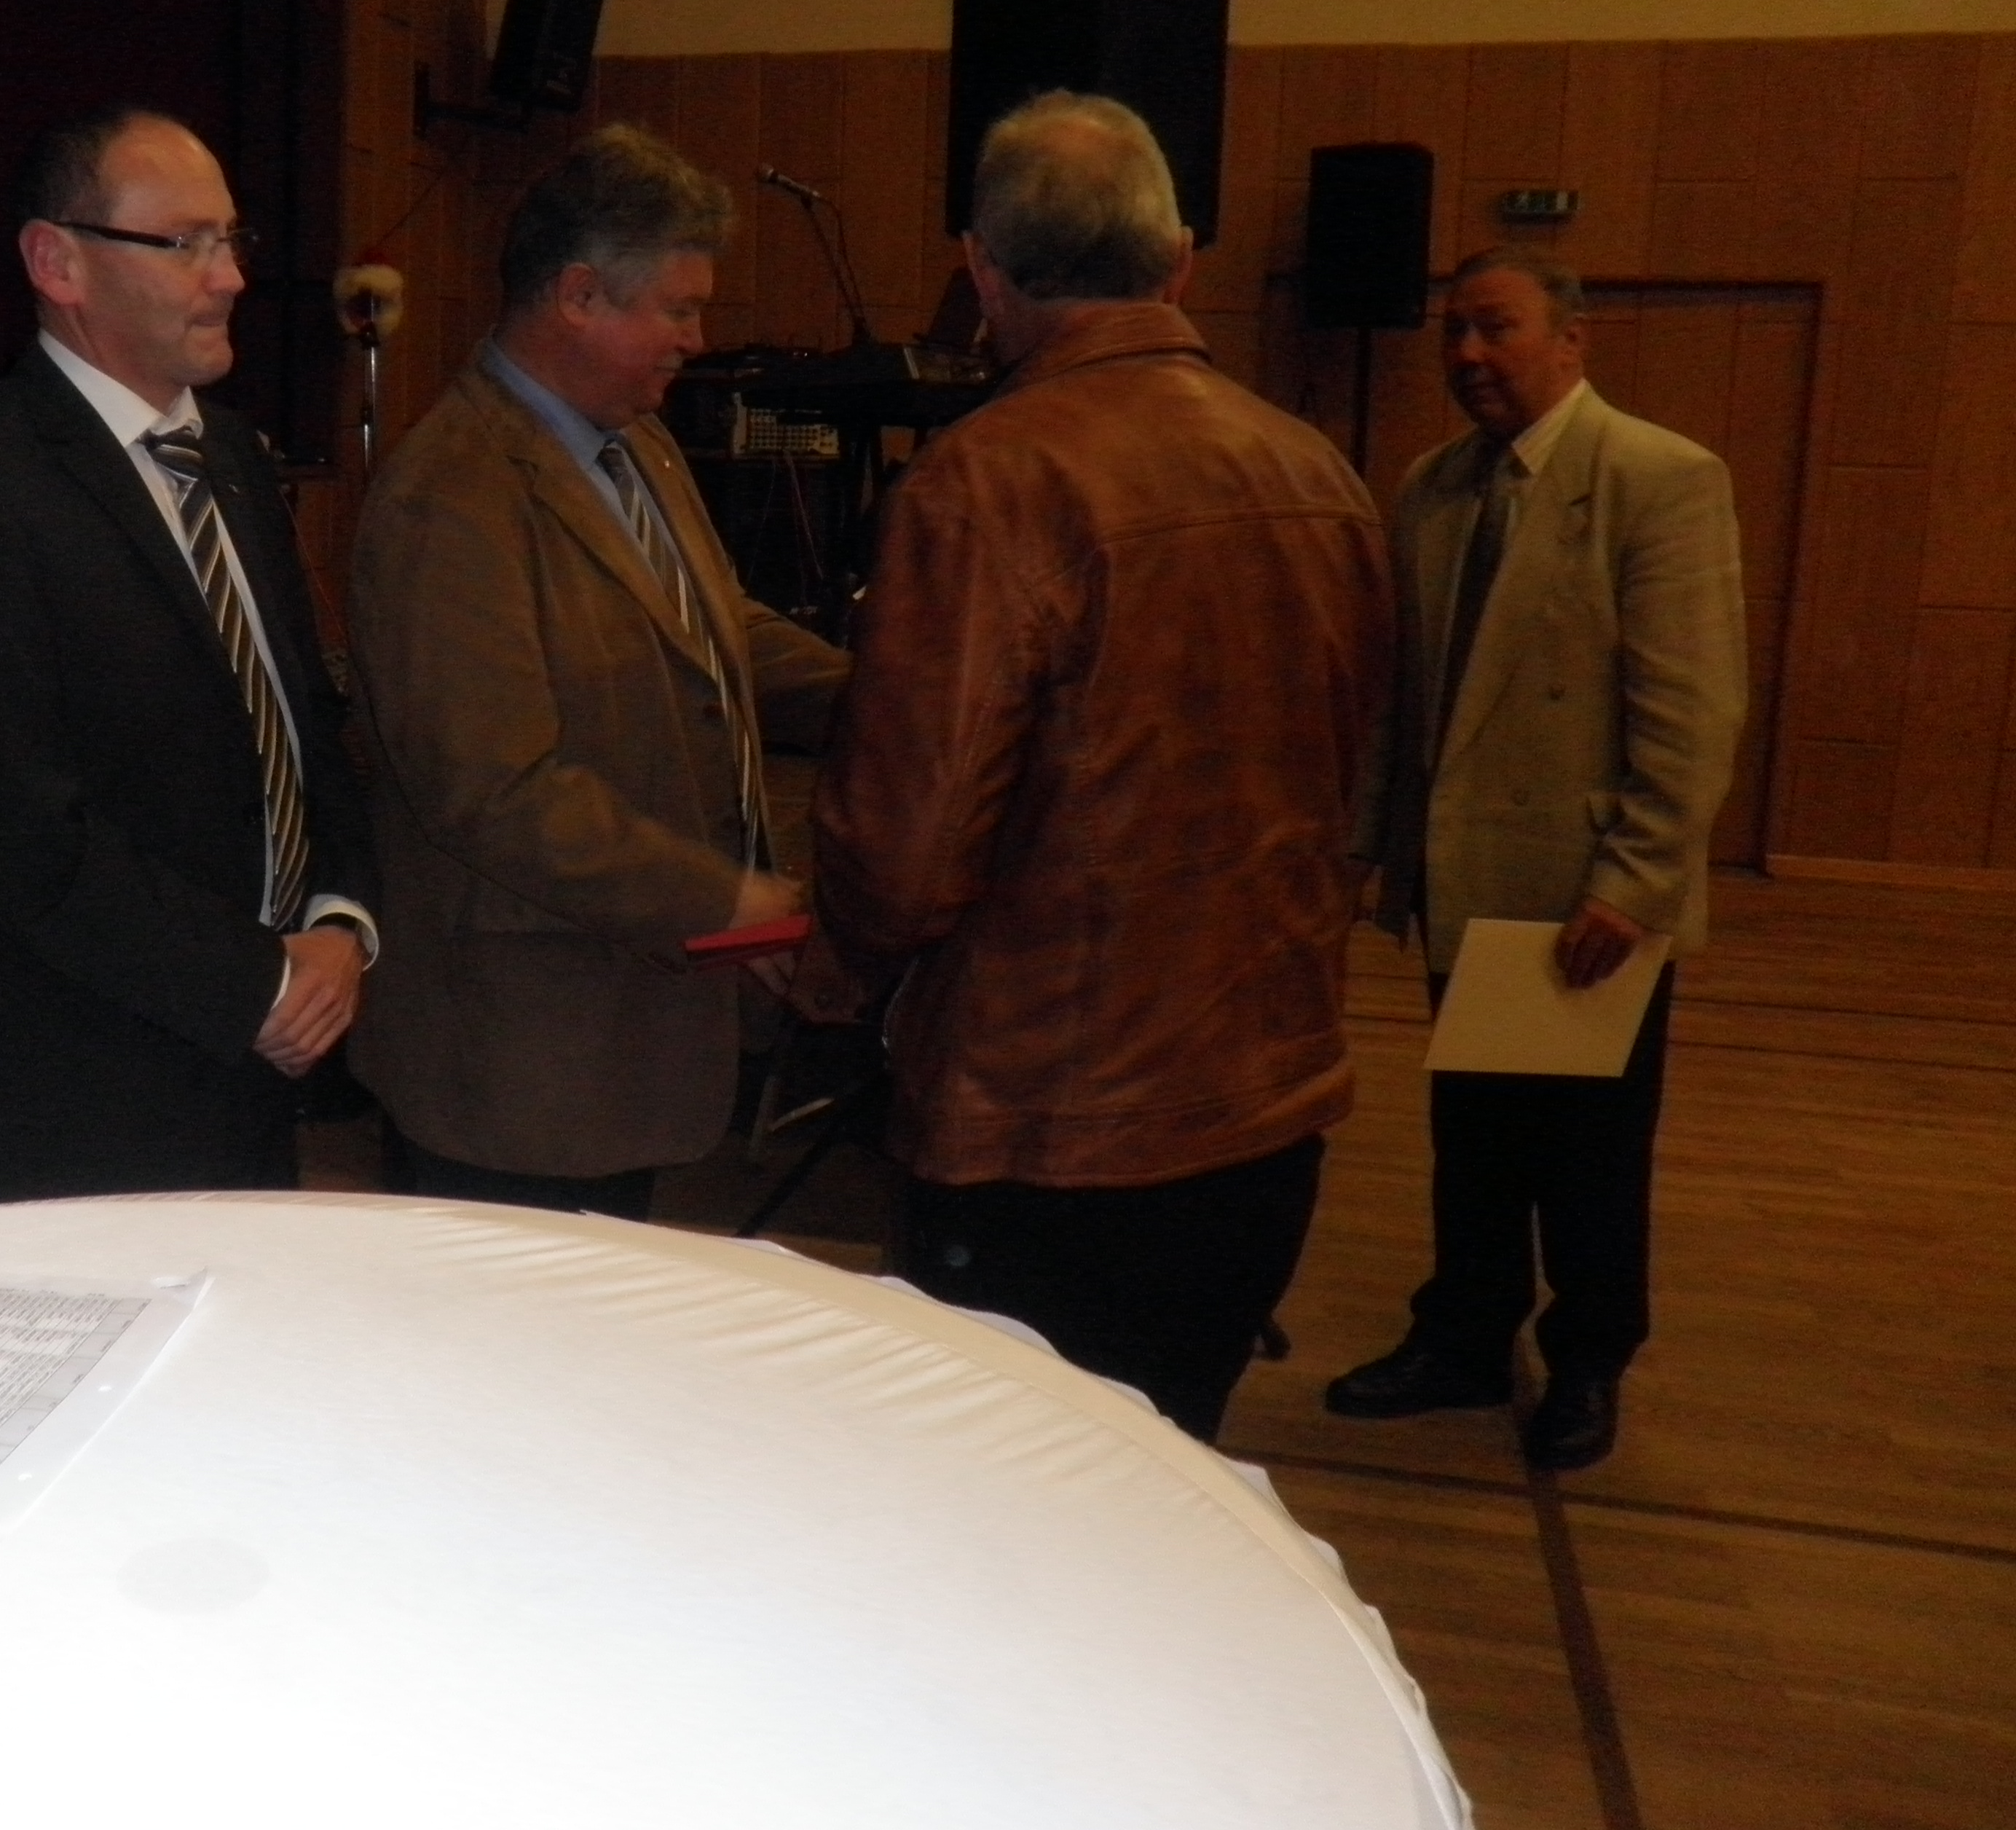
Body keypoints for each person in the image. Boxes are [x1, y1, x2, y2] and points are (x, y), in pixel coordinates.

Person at [809, 91, 1388, 1445]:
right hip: (1269, 1116)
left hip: (1047, 1134)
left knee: (1011, 1504)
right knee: (1173, 1476)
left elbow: (907, 858)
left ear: (983, 272)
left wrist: (832, 971)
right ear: (1181, 262)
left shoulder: (986, 484)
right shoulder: (1319, 472)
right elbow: (1349, 787)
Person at [347, 124, 849, 1217]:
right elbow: (495, 789)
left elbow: (716, 626)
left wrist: (881, 700)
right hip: (522, 1066)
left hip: (625, 1038)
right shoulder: (452, 493)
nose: (696, 341)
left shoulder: (637, 441)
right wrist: (722, 900)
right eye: (677, 310)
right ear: (579, 296)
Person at [0, 109, 376, 1198]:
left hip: (272, 1046)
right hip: (97, 1073)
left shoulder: (233, 454)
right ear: (57, 263)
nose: (230, 276)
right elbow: (15, 825)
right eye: (185, 243)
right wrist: (255, 983)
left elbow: (302, 718)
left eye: (232, 240)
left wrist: (340, 920)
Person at [1327, 245, 1744, 1471]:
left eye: (1495, 327)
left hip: (1584, 898)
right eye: (1453, 331)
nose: (1467, 354)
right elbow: (1401, 696)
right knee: (1475, 1140)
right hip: (1465, 880)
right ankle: (1464, 1335)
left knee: (1591, 1159)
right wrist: (1363, 850)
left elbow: (1694, 711)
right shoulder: (1435, 486)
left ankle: (1590, 1362)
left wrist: (1635, 883)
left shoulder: (1659, 478)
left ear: (1572, 338)